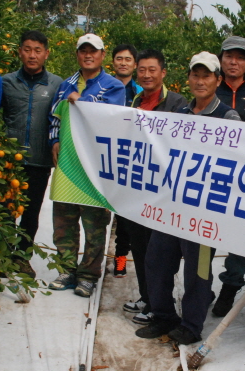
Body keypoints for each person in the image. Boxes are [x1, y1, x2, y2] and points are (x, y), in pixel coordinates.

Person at [136, 52, 240, 345]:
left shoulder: (228, 117)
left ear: (218, 80)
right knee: (156, 260)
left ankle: (192, 325)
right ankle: (163, 316)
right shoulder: (180, 115)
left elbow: (234, 161)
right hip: (172, 205)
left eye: (206, 75)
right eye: (195, 75)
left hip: (205, 211)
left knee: (199, 270)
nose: (200, 81)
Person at [49, 33, 126, 297]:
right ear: (77, 54)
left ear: (103, 55)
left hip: (94, 168)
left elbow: (112, 119)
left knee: (94, 225)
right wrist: (54, 141)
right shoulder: (65, 84)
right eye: (83, 50)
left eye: (93, 51)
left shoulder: (114, 86)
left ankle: (89, 275)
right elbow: (55, 117)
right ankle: (66, 269)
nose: (88, 55)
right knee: (63, 220)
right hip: (68, 163)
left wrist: (81, 101)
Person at [121, 49, 187, 325]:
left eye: (152, 70)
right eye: (142, 70)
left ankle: (161, 303)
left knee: (157, 252)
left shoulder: (175, 103)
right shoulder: (136, 99)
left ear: (163, 73)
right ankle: (147, 296)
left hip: (162, 192)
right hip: (138, 187)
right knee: (138, 245)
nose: (146, 75)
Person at [0, 30, 63, 277]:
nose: (32, 55)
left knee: (31, 212)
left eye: (38, 50)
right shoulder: (6, 82)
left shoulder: (56, 84)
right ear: (19, 52)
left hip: (39, 161)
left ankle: (21, 258)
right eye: (27, 49)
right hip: (8, 160)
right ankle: (3, 258)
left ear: (46, 53)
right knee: (5, 209)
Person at [212, 35, 245, 317]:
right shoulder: (210, 89)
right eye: (229, 56)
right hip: (211, 175)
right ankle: (202, 284)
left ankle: (229, 290)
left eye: (241, 57)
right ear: (220, 59)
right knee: (203, 232)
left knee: (239, 239)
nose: (234, 62)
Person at [110, 44, 143, 279]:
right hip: (103, 157)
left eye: (128, 59)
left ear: (134, 65)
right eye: (119, 58)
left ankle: (120, 261)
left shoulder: (140, 92)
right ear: (112, 62)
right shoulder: (103, 87)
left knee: (124, 221)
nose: (123, 63)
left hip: (129, 161)